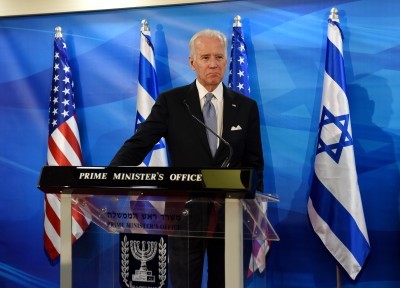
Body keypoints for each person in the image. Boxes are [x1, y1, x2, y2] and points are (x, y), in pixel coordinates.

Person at [110, 29, 264, 288]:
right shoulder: (172, 102)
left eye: (219, 57)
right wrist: (110, 176)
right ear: (192, 62)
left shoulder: (246, 107)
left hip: (231, 213)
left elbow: (254, 163)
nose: (213, 63)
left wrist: (248, 205)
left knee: (225, 282)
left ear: (226, 61)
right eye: (205, 57)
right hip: (185, 213)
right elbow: (140, 143)